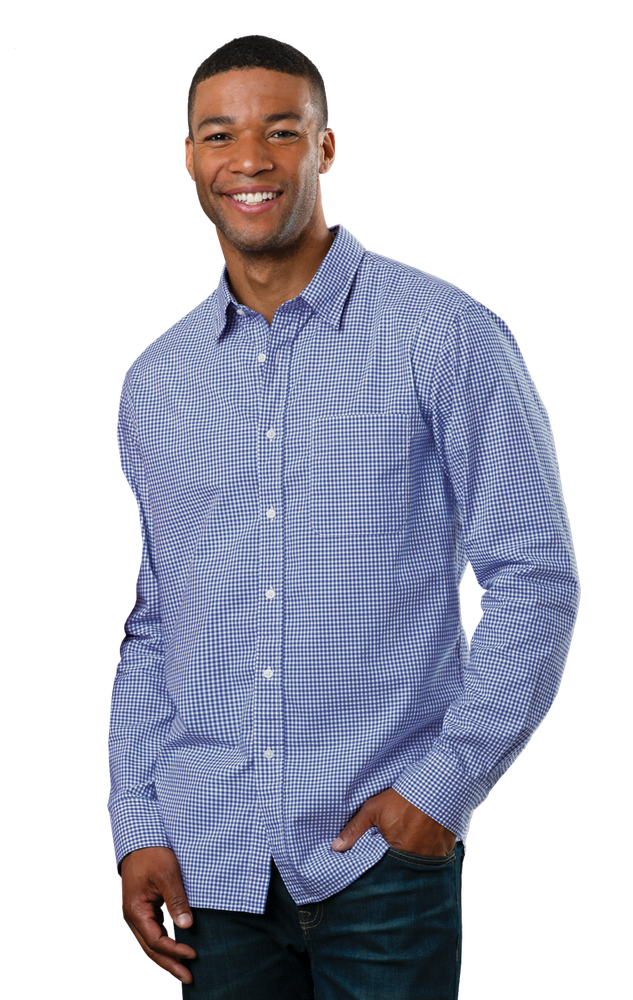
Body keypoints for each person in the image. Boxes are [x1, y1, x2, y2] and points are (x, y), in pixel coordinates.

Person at [107, 34, 581, 999]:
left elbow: (533, 577)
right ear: (189, 158)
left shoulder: (443, 332)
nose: (249, 159)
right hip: (209, 866)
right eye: (220, 135)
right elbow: (155, 624)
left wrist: (441, 789)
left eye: (281, 131)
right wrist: (139, 824)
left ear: (325, 148)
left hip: (379, 858)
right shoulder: (156, 381)